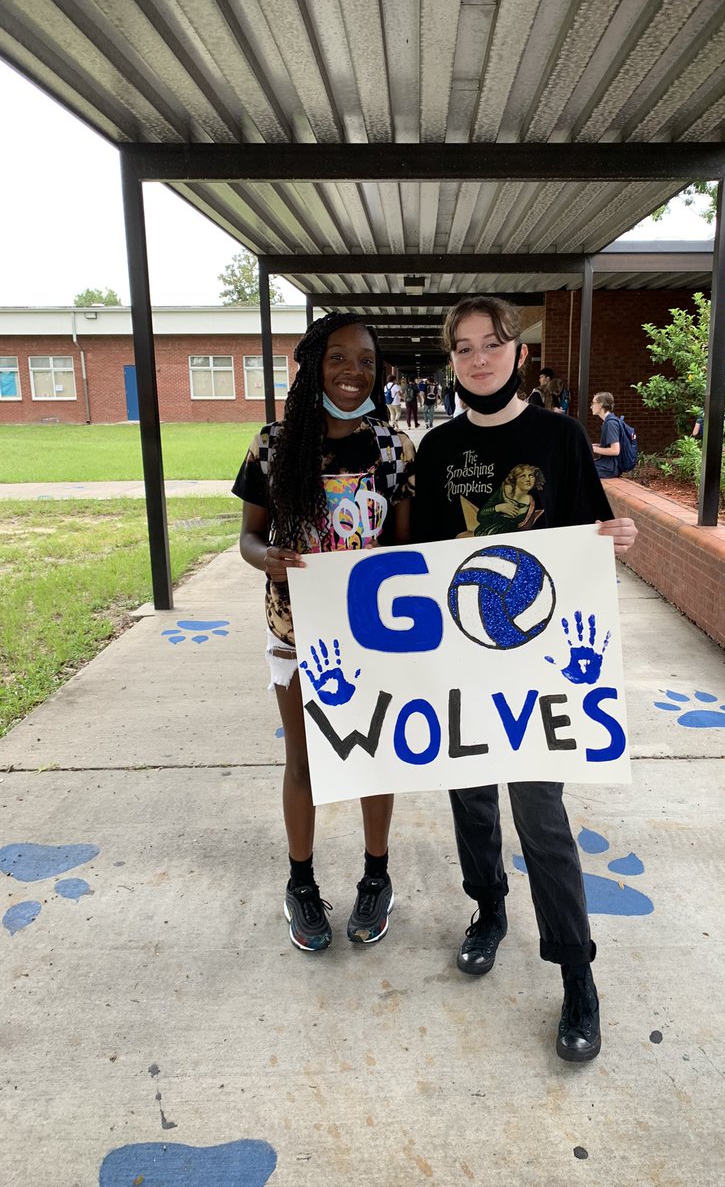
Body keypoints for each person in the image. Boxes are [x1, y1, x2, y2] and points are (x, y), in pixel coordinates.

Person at [413, 295, 637, 1063]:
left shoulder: (561, 437)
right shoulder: (437, 450)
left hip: (538, 662)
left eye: (492, 343)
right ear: (452, 360)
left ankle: (577, 971)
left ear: (518, 352)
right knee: (470, 798)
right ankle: (488, 910)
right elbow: (410, 563)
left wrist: (617, 539)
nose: (479, 358)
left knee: (539, 813)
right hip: (459, 657)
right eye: (464, 347)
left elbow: (589, 539)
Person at [232, 313, 415, 953]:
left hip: (370, 632)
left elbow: (405, 550)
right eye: (338, 359)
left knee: (371, 755)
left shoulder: (393, 449)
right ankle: (301, 883)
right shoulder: (273, 445)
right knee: (304, 759)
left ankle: (375, 876)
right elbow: (250, 536)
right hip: (294, 630)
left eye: (365, 361)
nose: (352, 373)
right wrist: (267, 557)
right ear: (312, 365)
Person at [590, 391, 622, 479]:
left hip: (610, 468)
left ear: (600, 405)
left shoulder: (611, 423)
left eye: (593, 403)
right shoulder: (608, 421)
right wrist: (592, 446)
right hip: (606, 465)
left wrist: (593, 449)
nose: (591, 406)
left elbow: (615, 450)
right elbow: (608, 445)